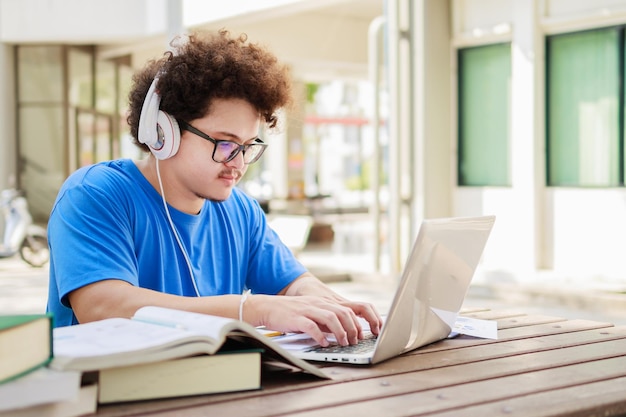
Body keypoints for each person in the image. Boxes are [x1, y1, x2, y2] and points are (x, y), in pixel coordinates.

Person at [46, 29, 382, 347]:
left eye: (248, 145)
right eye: (225, 143)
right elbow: (103, 307)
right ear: (163, 132)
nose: (238, 163)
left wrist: (335, 308)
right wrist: (252, 310)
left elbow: (293, 284)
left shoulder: (240, 210)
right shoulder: (94, 195)